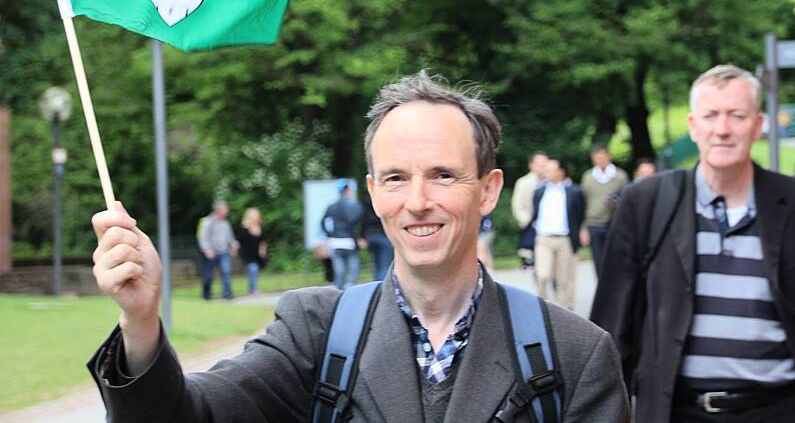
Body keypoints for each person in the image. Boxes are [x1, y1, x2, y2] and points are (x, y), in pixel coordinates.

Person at [88, 70, 628, 422]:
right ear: (372, 193)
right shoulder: (315, 333)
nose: (417, 201)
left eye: (442, 175)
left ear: (489, 191)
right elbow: (186, 417)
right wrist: (141, 321)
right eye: (395, 178)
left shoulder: (573, 355)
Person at [591, 65, 795, 422]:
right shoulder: (646, 202)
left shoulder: (789, 202)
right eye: (711, 115)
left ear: (759, 124)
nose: (722, 129)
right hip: (677, 411)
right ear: (692, 125)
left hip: (777, 409)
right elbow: (612, 325)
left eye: (737, 115)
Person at [527, 157, 585, 310]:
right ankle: (540, 309)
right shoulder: (539, 192)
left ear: (561, 172)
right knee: (542, 275)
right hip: (543, 238)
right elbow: (534, 213)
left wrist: (580, 232)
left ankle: (563, 313)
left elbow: (580, 214)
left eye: (552, 170)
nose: (548, 173)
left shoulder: (574, 192)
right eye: (547, 170)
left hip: (564, 239)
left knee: (562, 280)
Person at [579, 145, 628, 277]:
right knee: (598, 261)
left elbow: (627, 200)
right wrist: (583, 228)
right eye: (597, 158)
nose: (601, 160)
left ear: (609, 157)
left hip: (614, 223)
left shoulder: (620, 176)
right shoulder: (588, 177)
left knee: (616, 260)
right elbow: (583, 203)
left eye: (603, 157)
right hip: (594, 224)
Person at [321, 179, 365, 290]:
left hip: (336, 241)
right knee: (353, 266)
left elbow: (323, 222)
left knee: (339, 268)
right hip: (349, 241)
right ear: (347, 190)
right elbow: (359, 223)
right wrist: (359, 237)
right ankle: (350, 286)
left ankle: (339, 289)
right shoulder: (354, 205)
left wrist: (329, 234)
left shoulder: (332, 206)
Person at [198, 200, 237, 300]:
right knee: (209, 275)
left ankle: (227, 294)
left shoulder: (225, 223)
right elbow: (203, 237)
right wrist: (207, 249)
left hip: (223, 252)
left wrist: (233, 245)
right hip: (212, 252)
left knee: (226, 272)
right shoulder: (208, 221)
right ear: (219, 211)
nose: (227, 212)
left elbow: (230, 237)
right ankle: (206, 295)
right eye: (226, 210)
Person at [362, 191, 393, 281]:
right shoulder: (385, 201)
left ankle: (376, 284)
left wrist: (362, 236)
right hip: (383, 235)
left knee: (376, 264)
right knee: (385, 265)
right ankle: (381, 287)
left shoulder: (366, 202)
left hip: (370, 235)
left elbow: (363, 220)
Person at [236, 207, 268, 295]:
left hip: (256, 255)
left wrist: (263, 250)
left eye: (257, 216)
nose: (256, 218)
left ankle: (251, 289)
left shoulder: (260, 228)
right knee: (253, 269)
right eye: (254, 216)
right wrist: (234, 248)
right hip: (247, 254)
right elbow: (239, 240)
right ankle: (254, 289)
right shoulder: (244, 229)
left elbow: (263, 241)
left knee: (255, 271)